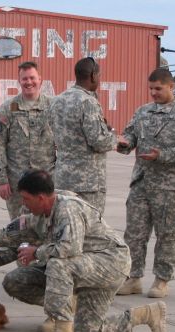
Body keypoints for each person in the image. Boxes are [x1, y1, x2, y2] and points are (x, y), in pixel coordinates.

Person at [0, 170, 166, 332]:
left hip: (109, 263)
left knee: (58, 265)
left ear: (40, 198)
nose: (24, 204)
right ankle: (146, 314)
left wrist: (37, 252)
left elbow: (69, 249)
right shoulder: (39, 214)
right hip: (83, 268)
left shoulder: (68, 208)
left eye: (26, 199)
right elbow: (12, 235)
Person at [116, 68, 175, 298]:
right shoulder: (143, 112)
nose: (153, 93)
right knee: (134, 234)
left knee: (167, 235)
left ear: (171, 87)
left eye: (158, 89)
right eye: (151, 89)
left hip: (170, 185)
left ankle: (162, 280)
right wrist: (123, 143)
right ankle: (133, 277)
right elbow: (130, 136)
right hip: (142, 183)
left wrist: (163, 155)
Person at [49, 57, 117, 214]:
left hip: (63, 179)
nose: (99, 79)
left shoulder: (57, 100)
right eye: (99, 75)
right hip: (87, 183)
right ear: (93, 75)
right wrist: (113, 137)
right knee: (90, 230)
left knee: (67, 225)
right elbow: (99, 141)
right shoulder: (88, 102)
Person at [0, 61, 55, 219]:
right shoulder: (8, 108)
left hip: (46, 181)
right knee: (18, 229)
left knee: (49, 227)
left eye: (32, 78)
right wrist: (1, 180)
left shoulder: (53, 107)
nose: (29, 82)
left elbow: (65, 143)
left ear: (40, 79)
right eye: (24, 79)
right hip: (17, 183)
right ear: (19, 81)